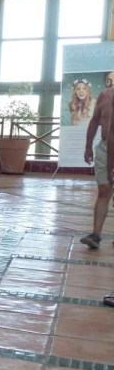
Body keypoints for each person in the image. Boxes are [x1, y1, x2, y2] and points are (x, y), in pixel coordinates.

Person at [80, 76, 114, 249]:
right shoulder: (105, 95)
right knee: (104, 190)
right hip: (104, 147)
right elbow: (95, 120)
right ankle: (96, 235)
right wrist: (88, 146)